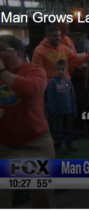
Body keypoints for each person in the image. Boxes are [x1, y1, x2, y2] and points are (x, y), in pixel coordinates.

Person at [0, 35, 55, 208]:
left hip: (36, 144)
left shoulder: (34, 70)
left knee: (42, 197)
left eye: (1, 49)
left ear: (18, 52)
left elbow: (31, 90)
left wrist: (2, 72)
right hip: (4, 147)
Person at [47, 59, 77, 155]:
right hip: (58, 113)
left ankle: (69, 143)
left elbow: (72, 97)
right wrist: (53, 111)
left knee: (68, 129)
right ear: (55, 70)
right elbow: (50, 98)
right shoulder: (52, 82)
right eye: (58, 69)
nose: (60, 71)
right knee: (58, 130)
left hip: (68, 111)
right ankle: (57, 146)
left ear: (66, 70)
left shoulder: (68, 82)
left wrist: (74, 110)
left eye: (62, 69)